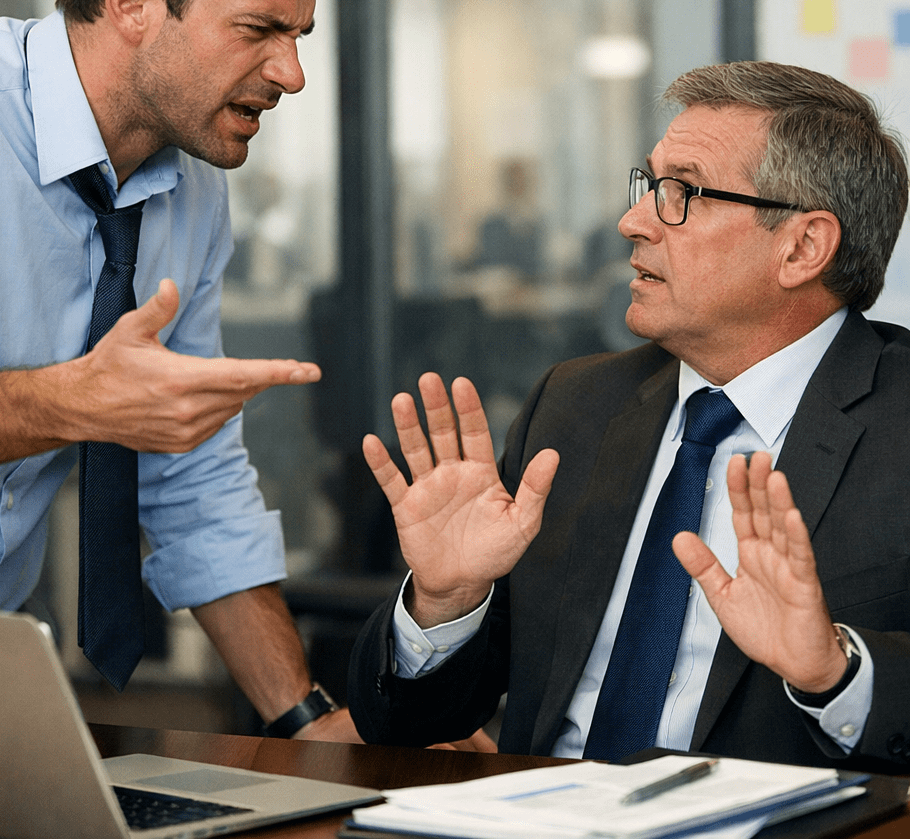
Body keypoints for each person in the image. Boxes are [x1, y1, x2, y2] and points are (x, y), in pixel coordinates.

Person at [0, 0, 363, 740]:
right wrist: (80, 402)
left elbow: (188, 475)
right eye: (259, 31)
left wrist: (308, 720)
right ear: (134, 1)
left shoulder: (191, 193)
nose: (293, 74)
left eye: (299, 36)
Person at [347, 61, 910, 771]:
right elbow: (404, 722)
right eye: (648, 185)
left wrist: (836, 672)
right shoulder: (577, 406)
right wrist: (446, 599)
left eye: (682, 192)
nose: (632, 221)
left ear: (801, 247)